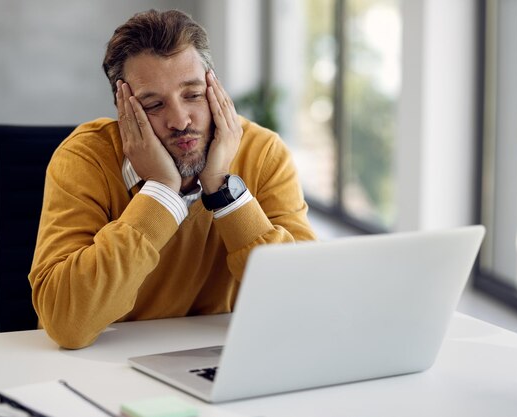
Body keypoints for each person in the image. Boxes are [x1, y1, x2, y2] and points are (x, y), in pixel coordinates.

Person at [29, 9, 316, 349]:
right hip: (105, 366)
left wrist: (223, 192)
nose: (180, 120)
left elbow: (307, 306)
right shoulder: (85, 159)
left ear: (214, 89)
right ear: (124, 112)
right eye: (153, 105)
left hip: (220, 362)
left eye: (193, 95)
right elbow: (67, 322)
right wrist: (162, 193)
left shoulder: (263, 154)